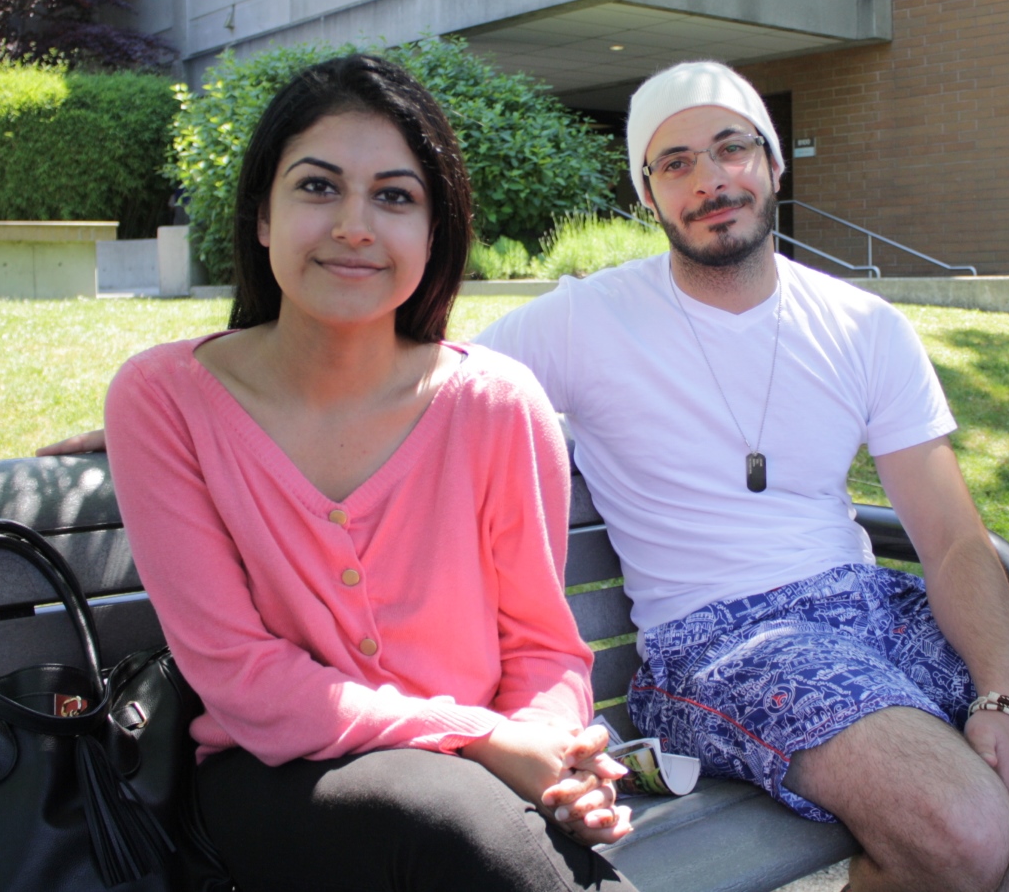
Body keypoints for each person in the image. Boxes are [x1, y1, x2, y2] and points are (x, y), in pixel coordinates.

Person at [472, 61, 1009, 892]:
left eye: (732, 148)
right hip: (715, 644)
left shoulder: (862, 326)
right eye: (675, 163)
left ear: (772, 163)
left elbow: (949, 541)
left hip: (869, 605)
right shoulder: (586, 318)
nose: (711, 179)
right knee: (965, 823)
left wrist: (1002, 700)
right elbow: (429, 386)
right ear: (646, 196)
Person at [95, 54, 635, 892]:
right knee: (449, 817)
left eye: (394, 196)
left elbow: (541, 645)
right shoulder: (164, 400)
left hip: (481, 794)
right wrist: (479, 738)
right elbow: (241, 678)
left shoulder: (495, 402)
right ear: (263, 217)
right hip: (276, 781)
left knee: (472, 826)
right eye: (317, 187)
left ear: (433, 232)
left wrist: (556, 755)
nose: (355, 224)